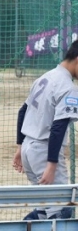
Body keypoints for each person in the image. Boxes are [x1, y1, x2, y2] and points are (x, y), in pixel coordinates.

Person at [13, 40, 78, 219]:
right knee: (61, 209)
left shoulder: (45, 77)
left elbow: (22, 111)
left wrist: (20, 147)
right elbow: (58, 128)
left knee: (43, 210)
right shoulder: (67, 87)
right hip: (44, 152)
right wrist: (51, 165)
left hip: (29, 150)